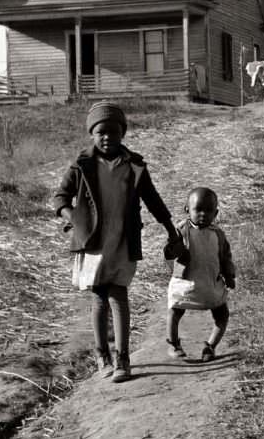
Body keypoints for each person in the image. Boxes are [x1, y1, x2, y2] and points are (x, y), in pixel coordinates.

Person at [51, 102, 179, 383]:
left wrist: (171, 228)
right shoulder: (82, 164)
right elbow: (60, 197)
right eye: (100, 132)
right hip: (93, 243)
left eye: (113, 131)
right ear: (92, 135)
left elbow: (153, 200)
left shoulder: (134, 166)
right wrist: (74, 217)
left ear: (123, 133)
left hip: (122, 240)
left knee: (119, 296)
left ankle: (123, 358)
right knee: (99, 298)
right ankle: (102, 357)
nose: (107, 137)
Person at [164, 186, 236, 362]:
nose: (203, 214)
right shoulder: (181, 230)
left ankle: (210, 346)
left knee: (222, 315)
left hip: (210, 283)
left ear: (216, 213)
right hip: (186, 284)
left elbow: (225, 256)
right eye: (198, 209)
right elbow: (168, 253)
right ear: (187, 209)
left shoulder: (218, 234)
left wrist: (229, 275)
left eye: (209, 210)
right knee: (175, 311)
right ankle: (173, 344)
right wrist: (173, 247)